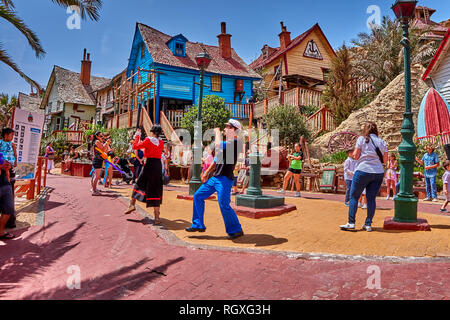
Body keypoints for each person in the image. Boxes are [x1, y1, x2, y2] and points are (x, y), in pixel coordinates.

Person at [186, 119, 244, 240]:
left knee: (223, 204)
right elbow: (217, 160)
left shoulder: (236, 142)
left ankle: (236, 229)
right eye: (226, 126)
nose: (225, 128)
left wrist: (217, 132)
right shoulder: (227, 143)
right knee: (198, 196)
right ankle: (198, 224)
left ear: (234, 130)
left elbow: (217, 145)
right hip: (216, 177)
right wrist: (206, 172)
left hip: (225, 179)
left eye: (228, 126)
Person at [340, 122, 388, 232]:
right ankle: (368, 224)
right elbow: (385, 160)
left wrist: (361, 155)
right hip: (378, 172)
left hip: (362, 170)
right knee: (371, 198)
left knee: (354, 197)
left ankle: (351, 223)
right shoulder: (382, 142)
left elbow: (355, 156)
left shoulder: (361, 139)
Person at [124, 125, 164, 225]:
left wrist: (137, 135)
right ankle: (157, 217)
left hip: (149, 164)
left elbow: (135, 146)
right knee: (156, 189)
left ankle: (132, 204)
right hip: (158, 166)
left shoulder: (148, 139)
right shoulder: (161, 142)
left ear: (152, 131)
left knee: (139, 183)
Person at [0, 160, 15, 240]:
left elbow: (12, 165)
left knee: (9, 210)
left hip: (5, 184)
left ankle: (0, 232)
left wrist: (8, 167)